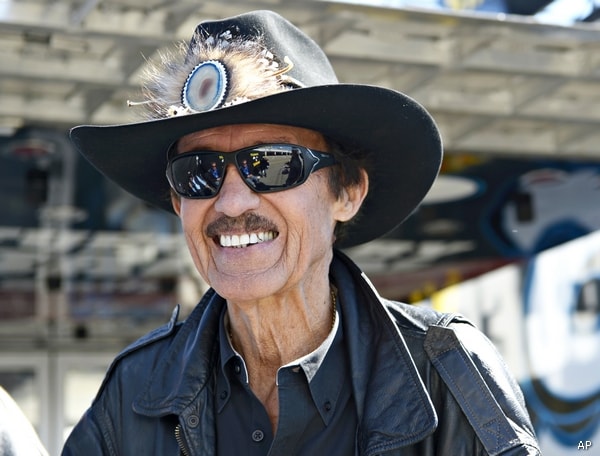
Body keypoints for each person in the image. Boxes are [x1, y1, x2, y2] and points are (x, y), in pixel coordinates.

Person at [62, 10, 540, 455]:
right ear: (177, 202)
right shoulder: (132, 394)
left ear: (347, 193)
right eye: (199, 173)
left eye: (272, 164)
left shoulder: (447, 374)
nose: (231, 203)